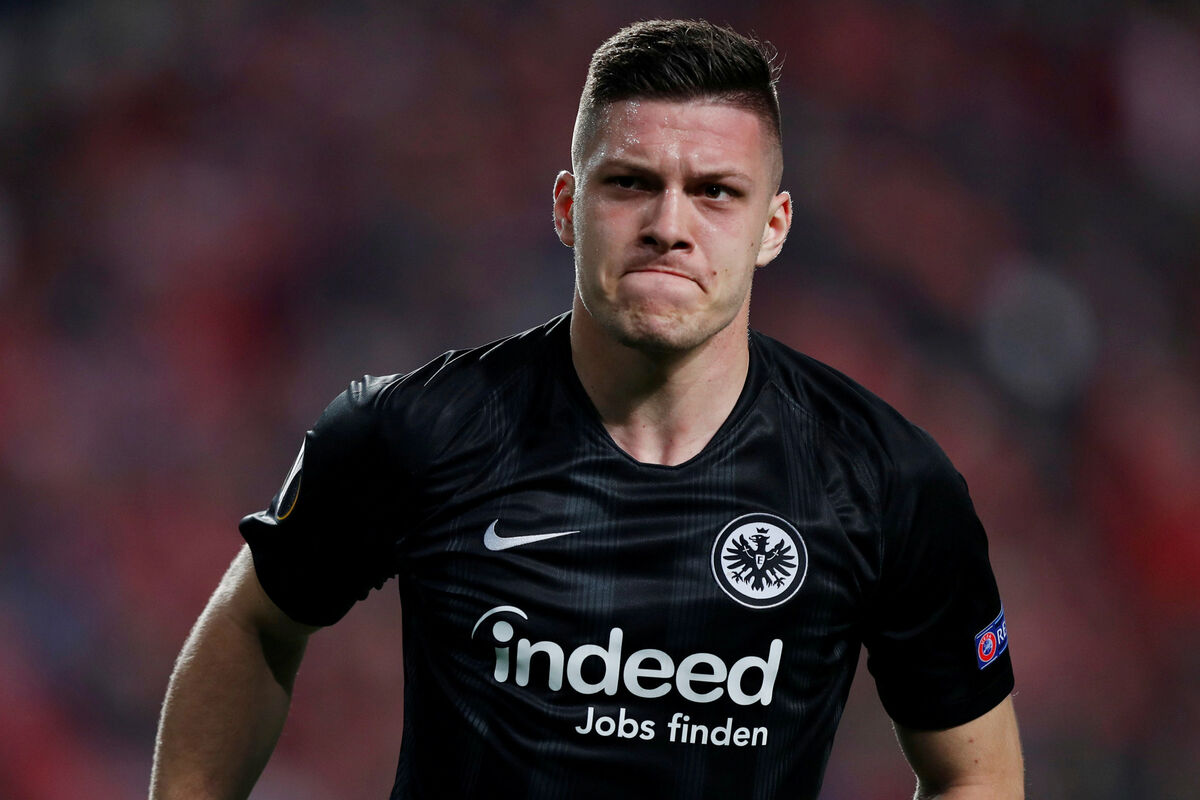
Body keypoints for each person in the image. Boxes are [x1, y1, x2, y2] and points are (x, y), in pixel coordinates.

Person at [151, 19, 1023, 800]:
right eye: (631, 183)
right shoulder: (415, 431)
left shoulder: (885, 481)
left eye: (716, 192)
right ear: (569, 207)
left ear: (773, 225)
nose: (669, 225)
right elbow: (255, 627)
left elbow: (973, 771)